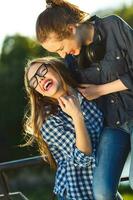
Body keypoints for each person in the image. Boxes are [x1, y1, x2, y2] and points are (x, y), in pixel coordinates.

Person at [35, 0, 133, 200]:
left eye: (61, 47)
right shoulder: (71, 61)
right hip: (113, 126)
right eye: (57, 53)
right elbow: (64, 89)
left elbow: (96, 91)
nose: (62, 54)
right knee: (101, 192)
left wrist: (100, 90)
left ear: (71, 28)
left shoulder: (113, 26)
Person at [23, 57, 103, 200]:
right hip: (77, 194)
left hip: (105, 185)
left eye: (42, 71)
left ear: (55, 67)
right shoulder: (48, 121)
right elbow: (83, 158)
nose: (40, 79)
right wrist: (77, 116)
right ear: (38, 92)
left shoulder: (88, 92)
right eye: (34, 82)